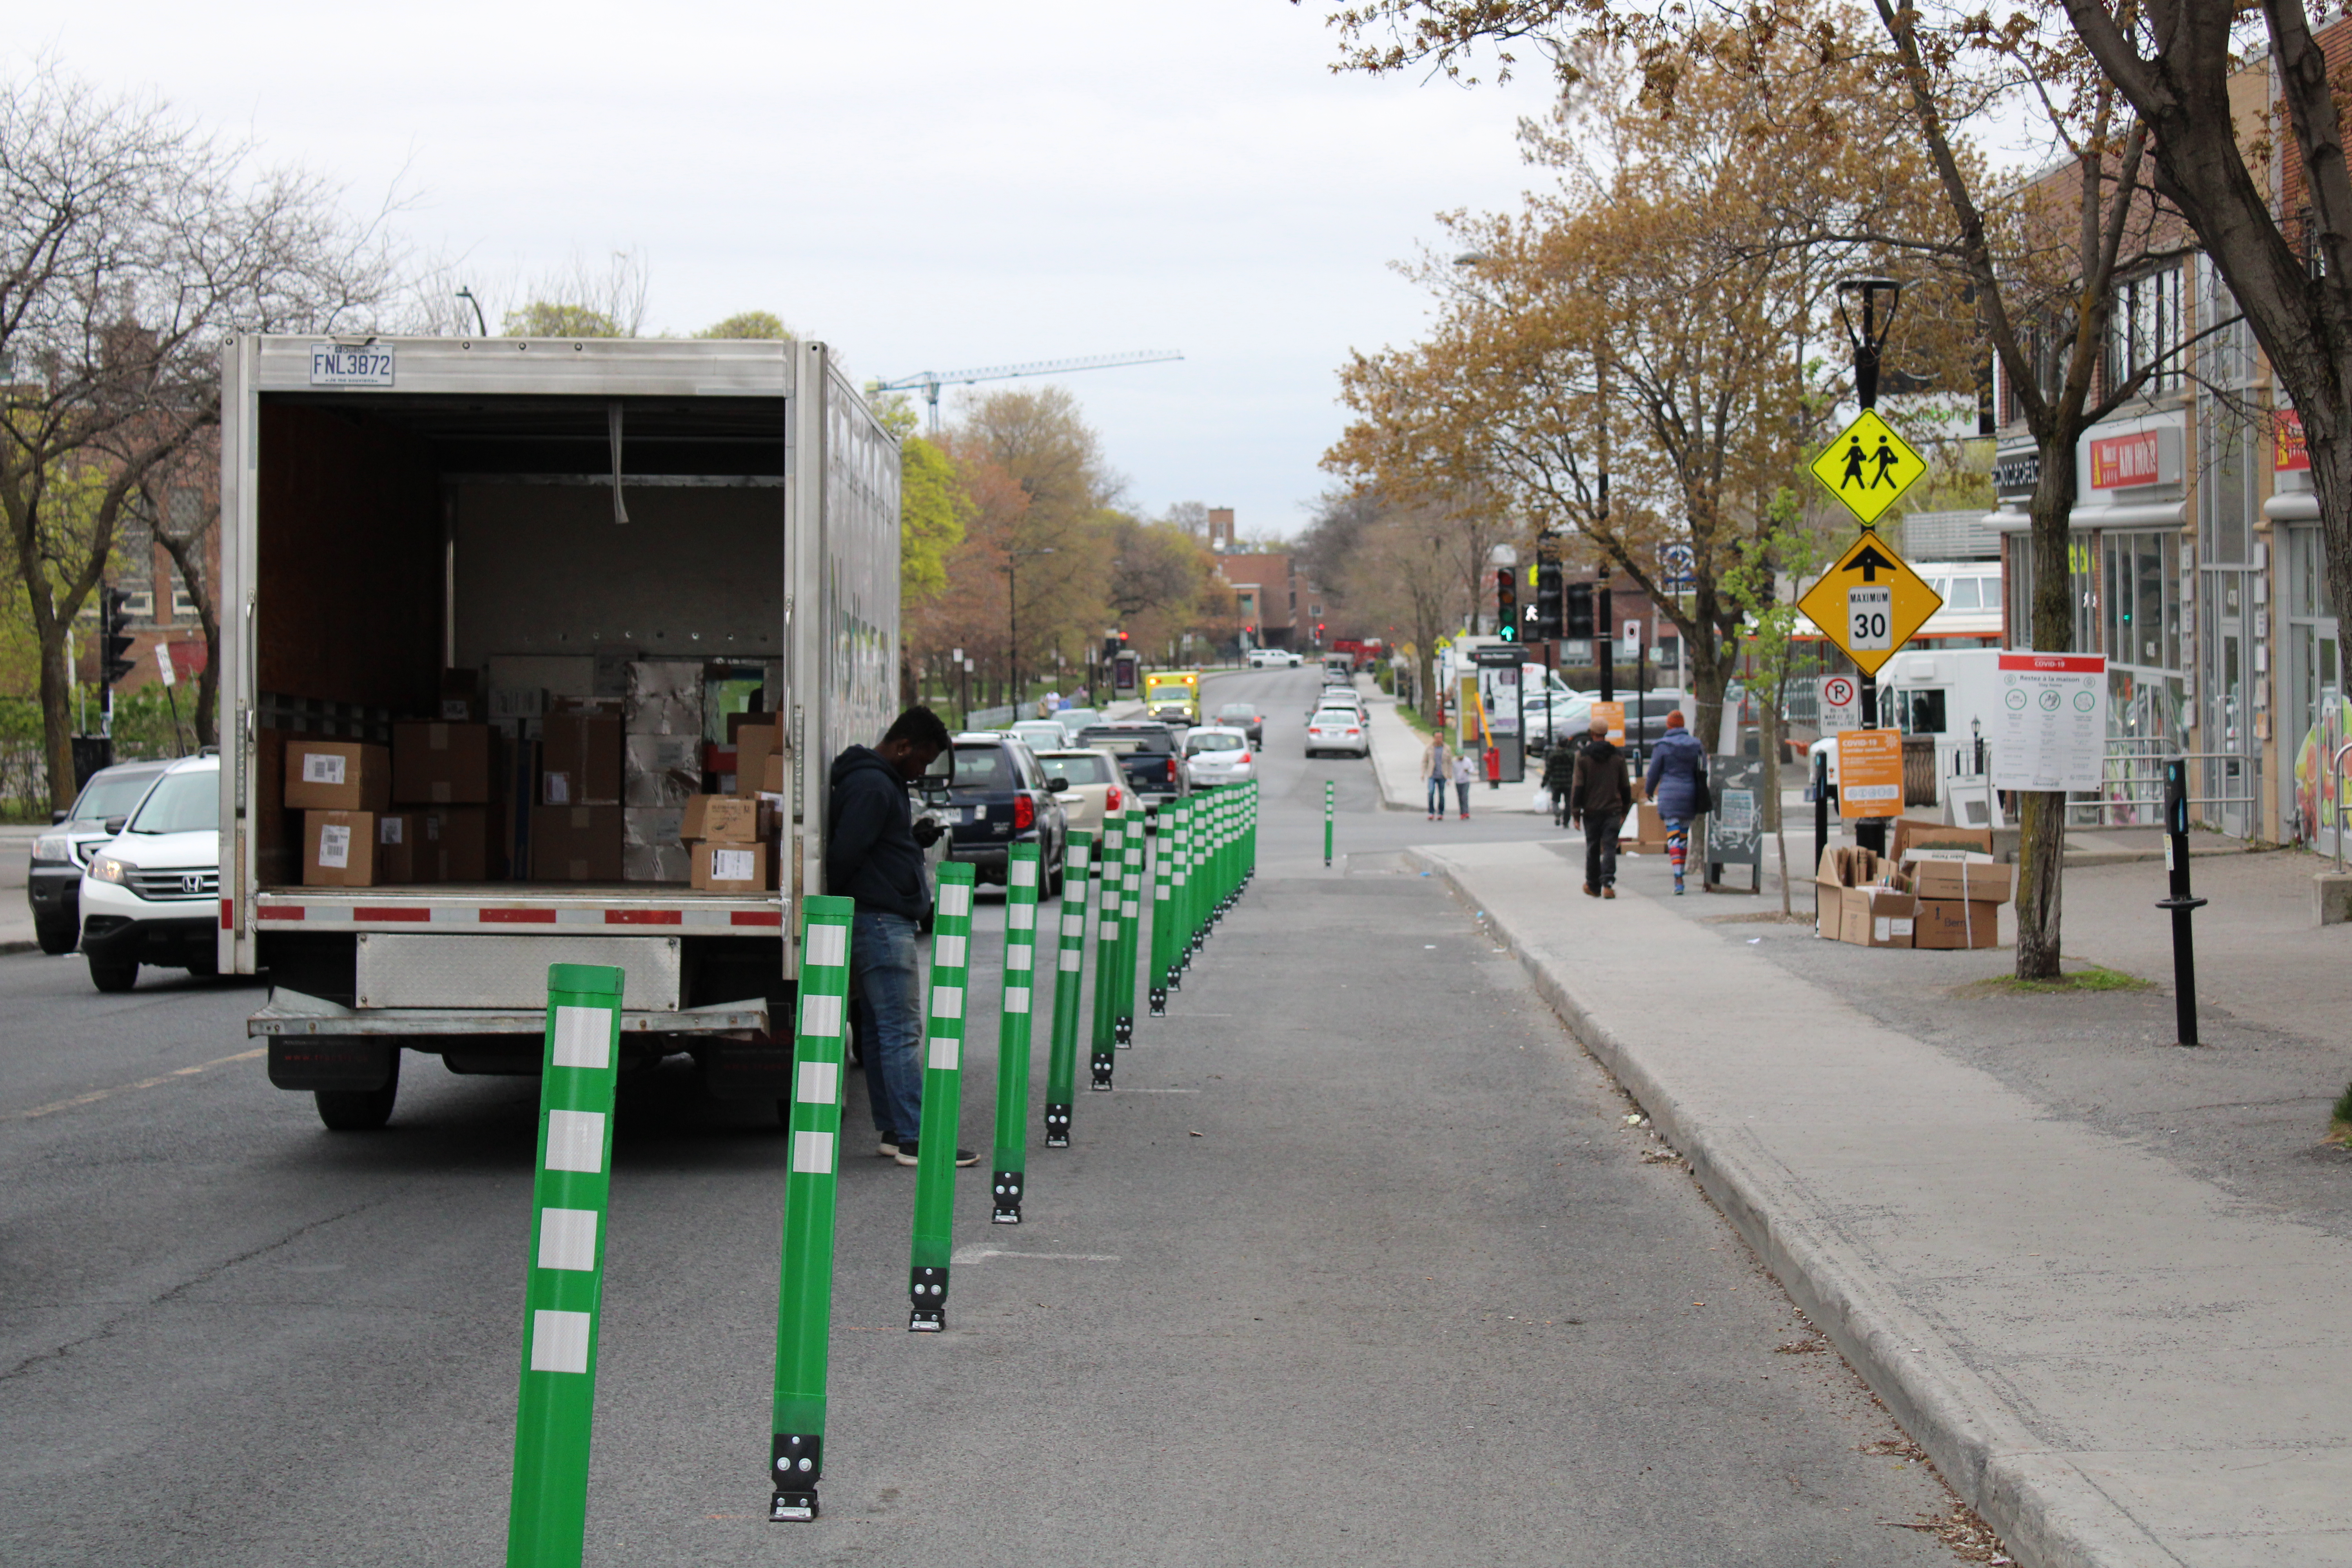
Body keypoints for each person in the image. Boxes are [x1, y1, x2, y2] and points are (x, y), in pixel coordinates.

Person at [827, 706, 976, 1170]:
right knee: (900, 1030)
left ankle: (895, 1130)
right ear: (903, 746)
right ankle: (916, 1137)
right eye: (922, 761)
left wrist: (910, 841)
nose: (922, 771)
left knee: (877, 1028)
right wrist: (880, 889)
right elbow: (846, 854)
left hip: (873, 914)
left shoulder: (875, 781)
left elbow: (868, 847)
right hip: (879, 919)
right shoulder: (873, 785)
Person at [1644, 708, 1710, 895]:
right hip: (1690, 794)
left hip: (1669, 795)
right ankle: (1680, 872)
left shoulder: (1662, 746)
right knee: (1683, 836)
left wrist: (1649, 791)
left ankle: (1678, 877)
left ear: (1669, 725)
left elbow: (1654, 772)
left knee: (1673, 837)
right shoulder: (1696, 745)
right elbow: (1703, 768)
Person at [1569, 713, 1631, 898]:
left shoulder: (1582, 757)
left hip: (1591, 810)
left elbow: (1578, 786)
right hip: (1612, 809)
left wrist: (1575, 812)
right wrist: (1625, 809)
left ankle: (1593, 885)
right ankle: (1608, 884)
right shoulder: (1617, 756)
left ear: (1591, 733)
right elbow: (1625, 785)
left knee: (1593, 848)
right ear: (1606, 733)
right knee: (1610, 847)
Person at [1541, 737, 1579, 828]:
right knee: (1568, 803)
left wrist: (1544, 782)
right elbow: (1576, 769)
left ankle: (1557, 813)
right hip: (1568, 782)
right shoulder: (1571, 755)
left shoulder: (1553, 755)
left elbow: (1549, 770)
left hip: (1556, 782)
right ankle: (1566, 821)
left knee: (1555, 801)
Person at [1422, 732, 1452, 820]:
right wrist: (1423, 773)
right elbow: (1425, 761)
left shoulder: (1447, 749)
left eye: (1440, 737)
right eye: (1437, 737)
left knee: (1442, 795)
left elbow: (1450, 763)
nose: (1438, 739)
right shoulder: (1429, 748)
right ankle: (1431, 812)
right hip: (1432, 775)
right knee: (1431, 792)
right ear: (1434, 738)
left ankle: (1441, 813)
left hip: (1443, 775)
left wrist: (1450, 776)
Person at [1453, 750, 1475, 818]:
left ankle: (1466, 812)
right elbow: (1453, 771)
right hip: (1458, 781)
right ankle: (1462, 813)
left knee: (1464, 796)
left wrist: (1468, 771)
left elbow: (1472, 769)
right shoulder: (1455, 762)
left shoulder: (1468, 761)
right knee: (1460, 797)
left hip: (1466, 781)